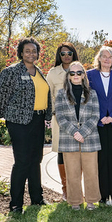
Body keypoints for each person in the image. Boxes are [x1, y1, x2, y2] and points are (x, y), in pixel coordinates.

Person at [0, 37, 51, 214]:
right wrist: (8, 115)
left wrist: (47, 115)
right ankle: (16, 204)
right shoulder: (11, 72)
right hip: (19, 123)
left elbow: (45, 95)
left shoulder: (39, 72)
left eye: (34, 51)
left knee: (36, 160)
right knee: (22, 161)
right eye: (27, 51)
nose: (31, 54)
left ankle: (37, 198)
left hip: (38, 120)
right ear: (20, 53)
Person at [55, 61, 102, 211]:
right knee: (72, 173)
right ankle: (75, 201)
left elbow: (95, 116)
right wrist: (74, 132)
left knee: (91, 172)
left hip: (90, 138)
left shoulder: (92, 93)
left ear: (83, 75)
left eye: (79, 73)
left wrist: (82, 133)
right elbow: (60, 117)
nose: (76, 76)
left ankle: (91, 201)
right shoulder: (61, 94)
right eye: (72, 73)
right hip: (69, 139)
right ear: (68, 76)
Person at [87, 46, 112, 204]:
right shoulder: (90, 75)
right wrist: (101, 116)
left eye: (110, 57)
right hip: (98, 123)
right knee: (101, 158)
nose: (107, 59)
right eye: (104, 56)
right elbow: (88, 97)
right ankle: (102, 194)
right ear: (99, 58)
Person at [46, 42, 79, 201]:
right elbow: (48, 95)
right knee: (62, 152)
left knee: (77, 153)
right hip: (60, 119)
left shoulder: (79, 70)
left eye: (69, 53)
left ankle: (76, 189)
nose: (66, 56)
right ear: (59, 55)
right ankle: (65, 189)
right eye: (63, 53)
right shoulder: (53, 73)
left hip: (78, 119)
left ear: (74, 54)